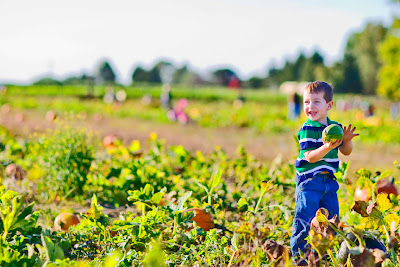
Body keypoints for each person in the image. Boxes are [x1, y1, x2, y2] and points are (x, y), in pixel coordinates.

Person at [290, 81, 359, 265]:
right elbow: (311, 157)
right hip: (309, 182)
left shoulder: (335, 127)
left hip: (329, 183)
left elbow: (346, 151)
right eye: (306, 102)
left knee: (330, 221)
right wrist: (326, 146)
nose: (310, 106)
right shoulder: (307, 129)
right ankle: (300, 258)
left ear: (329, 105)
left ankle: (323, 255)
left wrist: (347, 140)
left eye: (316, 102)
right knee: (305, 218)